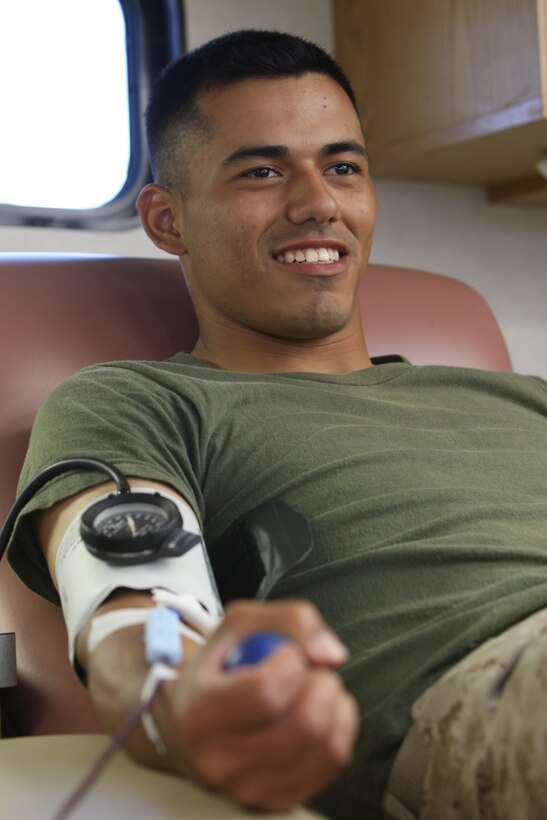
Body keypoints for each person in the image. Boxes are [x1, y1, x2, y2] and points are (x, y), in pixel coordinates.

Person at [6, 29, 547, 820]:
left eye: (342, 168)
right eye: (261, 171)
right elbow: (139, 614)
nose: (317, 203)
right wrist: (188, 695)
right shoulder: (138, 402)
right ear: (167, 220)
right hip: (481, 701)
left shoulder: (520, 396)